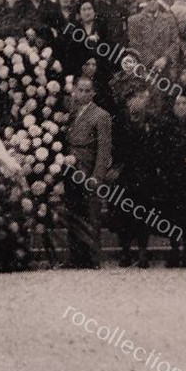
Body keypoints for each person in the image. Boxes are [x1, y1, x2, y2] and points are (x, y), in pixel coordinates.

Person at [63, 76, 113, 269]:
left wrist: (97, 176)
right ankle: (74, 257)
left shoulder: (101, 115)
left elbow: (104, 149)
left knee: (91, 214)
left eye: (87, 90)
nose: (83, 94)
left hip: (88, 170)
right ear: (74, 91)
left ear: (93, 93)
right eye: (80, 90)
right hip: (71, 170)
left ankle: (93, 258)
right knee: (73, 213)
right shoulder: (72, 113)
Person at [111, 87, 165, 268]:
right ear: (128, 101)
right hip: (125, 173)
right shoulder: (118, 121)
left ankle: (143, 251)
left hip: (145, 173)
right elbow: (114, 146)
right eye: (137, 98)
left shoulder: (152, 120)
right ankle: (125, 250)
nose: (141, 101)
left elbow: (157, 146)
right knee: (122, 212)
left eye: (144, 98)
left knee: (144, 211)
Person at [160, 92, 186, 268]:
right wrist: (180, 159)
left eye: (184, 103)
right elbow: (161, 150)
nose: (181, 107)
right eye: (177, 104)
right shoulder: (165, 126)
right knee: (172, 215)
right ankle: (174, 249)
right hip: (172, 176)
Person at [126, 0, 179, 74]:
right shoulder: (134, 21)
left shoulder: (169, 19)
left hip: (167, 67)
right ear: (143, 3)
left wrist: (165, 58)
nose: (152, 2)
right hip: (146, 68)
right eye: (149, 0)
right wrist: (152, 61)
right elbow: (135, 43)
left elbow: (175, 41)